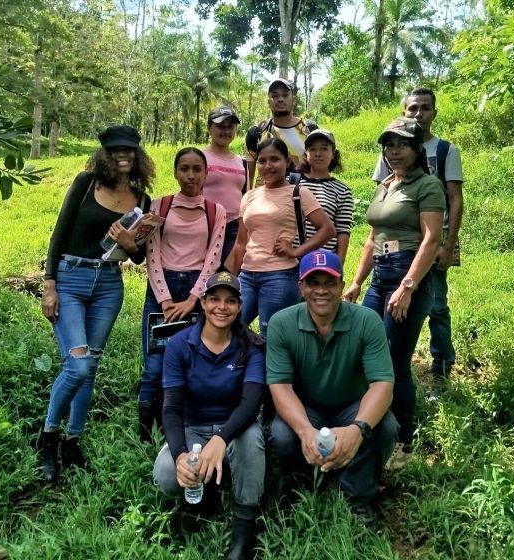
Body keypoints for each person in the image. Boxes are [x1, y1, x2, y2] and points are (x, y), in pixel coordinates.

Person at [38, 125, 154, 483]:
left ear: (138, 156)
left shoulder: (142, 199)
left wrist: (129, 241)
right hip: (70, 278)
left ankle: (73, 441)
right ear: (105, 154)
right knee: (78, 366)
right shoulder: (86, 183)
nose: (123, 156)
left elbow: (140, 257)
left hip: (108, 283)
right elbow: (60, 233)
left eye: (130, 151)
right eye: (116, 150)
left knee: (92, 364)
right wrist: (49, 284)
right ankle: (47, 440)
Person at [267, 249, 398, 530]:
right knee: (280, 433)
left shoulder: (367, 321)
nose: (321, 291)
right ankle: (302, 485)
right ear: (300, 287)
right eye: (313, 283)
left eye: (330, 282)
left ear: (342, 285)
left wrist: (357, 429)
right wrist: (304, 432)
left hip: (350, 404)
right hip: (307, 408)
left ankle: (356, 495)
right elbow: (280, 387)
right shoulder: (281, 323)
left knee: (384, 426)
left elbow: (382, 385)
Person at [344, 117, 445, 470]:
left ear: (417, 149)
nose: (394, 151)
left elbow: (432, 239)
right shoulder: (386, 184)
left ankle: (403, 439)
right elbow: (372, 238)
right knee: (365, 351)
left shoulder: (428, 186)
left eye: (401, 144)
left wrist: (407, 287)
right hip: (381, 276)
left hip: (408, 276)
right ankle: (371, 424)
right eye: (388, 145)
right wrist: (357, 283)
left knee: (395, 362)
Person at [153, 271, 266, 560]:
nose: (221, 307)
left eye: (230, 301)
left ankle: (243, 529)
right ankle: (201, 498)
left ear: (240, 306)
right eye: (214, 299)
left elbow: (251, 402)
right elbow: (171, 407)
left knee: (252, 439)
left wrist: (221, 437)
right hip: (193, 428)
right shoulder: (180, 344)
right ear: (203, 303)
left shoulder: (251, 346)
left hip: (234, 428)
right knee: (167, 476)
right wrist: (179, 454)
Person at [372, 88, 464, 402]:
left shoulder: (445, 149)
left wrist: (448, 245)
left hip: (433, 240)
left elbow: (454, 198)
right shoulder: (390, 150)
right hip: (395, 248)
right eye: (413, 108)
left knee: (436, 306)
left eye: (425, 108)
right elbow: (383, 199)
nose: (418, 114)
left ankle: (440, 367)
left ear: (434, 113)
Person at [138, 147, 227, 443]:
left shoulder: (216, 212)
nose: (190, 175)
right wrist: (164, 299)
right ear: (175, 172)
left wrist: (193, 299)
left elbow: (213, 259)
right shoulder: (159, 206)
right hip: (160, 288)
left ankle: (175, 425)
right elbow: (152, 254)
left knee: (189, 360)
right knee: (154, 364)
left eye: (196, 169)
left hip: (196, 291)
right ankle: (144, 431)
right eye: (184, 169)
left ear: (206, 173)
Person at [227, 137, 335, 339]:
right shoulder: (249, 196)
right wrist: (232, 279)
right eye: (262, 161)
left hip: (279, 276)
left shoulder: (298, 193)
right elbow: (241, 242)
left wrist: (296, 251)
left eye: (274, 159)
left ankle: (272, 370)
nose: (268, 166)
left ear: (287, 162)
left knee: (272, 336)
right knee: (229, 327)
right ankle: (246, 367)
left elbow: (327, 229)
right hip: (247, 275)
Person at [296, 129, 354, 263]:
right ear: (306, 154)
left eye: (324, 149)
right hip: (289, 261)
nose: (318, 154)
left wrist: (339, 264)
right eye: (312, 149)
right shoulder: (291, 182)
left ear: (333, 153)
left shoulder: (342, 190)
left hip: (322, 262)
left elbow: (343, 231)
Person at [244, 78, 317, 186]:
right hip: (266, 199)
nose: (280, 99)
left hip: (303, 196)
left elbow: (320, 167)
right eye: (275, 96)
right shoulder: (257, 132)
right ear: (269, 102)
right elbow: (247, 179)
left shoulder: (309, 129)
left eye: (285, 95)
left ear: (293, 99)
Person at [202, 106, 247, 266]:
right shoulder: (201, 158)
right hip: (205, 224)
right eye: (220, 126)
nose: (225, 131)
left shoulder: (242, 162)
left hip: (234, 227)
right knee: (204, 271)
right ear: (209, 128)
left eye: (230, 127)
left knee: (228, 277)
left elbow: (244, 194)